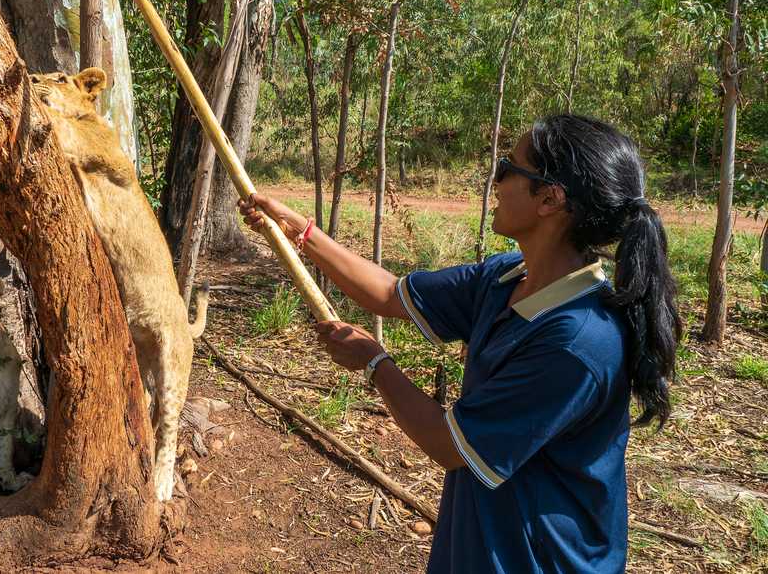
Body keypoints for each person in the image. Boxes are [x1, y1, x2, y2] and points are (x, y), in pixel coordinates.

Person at [239, 114, 681, 574]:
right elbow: (389, 293)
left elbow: (452, 446)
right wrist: (300, 231)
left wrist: (374, 363)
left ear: (550, 198)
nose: (496, 179)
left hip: (537, 558)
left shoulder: (576, 341)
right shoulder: (508, 276)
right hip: (484, 539)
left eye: (508, 168)